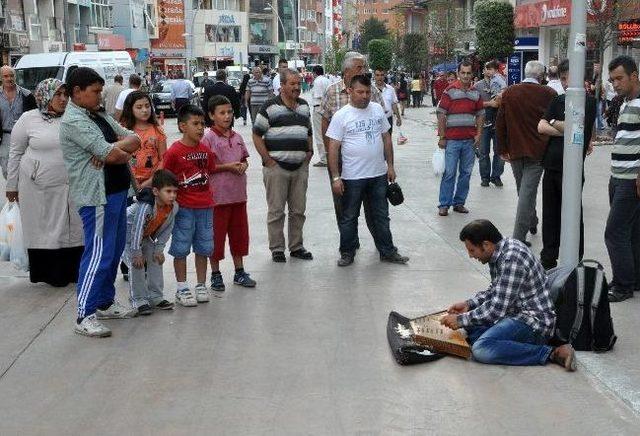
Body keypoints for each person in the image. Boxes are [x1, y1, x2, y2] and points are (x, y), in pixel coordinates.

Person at [60, 67, 141, 337]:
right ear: (77, 93)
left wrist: (117, 148)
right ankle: (85, 314)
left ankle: (105, 302)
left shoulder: (98, 114)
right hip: (96, 197)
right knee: (98, 255)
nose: (99, 97)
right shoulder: (74, 121)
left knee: (115, 250)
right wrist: (114, 150)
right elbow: (111, 153)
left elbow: (134, 138)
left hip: (117, 191)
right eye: (95, 92)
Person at [440, 220, 575, 370]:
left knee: (481, 348)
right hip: (513, 313)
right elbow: (495, 290)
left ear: (486, 245)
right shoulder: (498, 251)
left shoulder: (512, 259)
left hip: (533, 322)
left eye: (472, 250)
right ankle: (504, 342)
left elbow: (496, 310)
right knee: (471, 325)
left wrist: (460, 320)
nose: (471, 256)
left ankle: (550, 352)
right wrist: (469, 304)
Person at [5, 78, 83, 287]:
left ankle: (73, 272)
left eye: (65, 94)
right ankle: (50, 275)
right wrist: (11, 185)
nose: (63, 99)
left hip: (72, 185)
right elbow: (15, 153)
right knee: (46, 228)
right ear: (44, 95)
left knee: (72, 227)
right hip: (38, 187)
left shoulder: (75, 117)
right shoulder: (28, 119)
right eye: (58, 94)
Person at [326, 74, 409, 266]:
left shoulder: (377, 109)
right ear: (350, 91)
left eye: (367, 92)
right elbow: (333, 148)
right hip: (352, 177)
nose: (364, 96)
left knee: (381, 216)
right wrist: (335, 178)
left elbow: (386, 138)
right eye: (360, 92)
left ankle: (387, 251)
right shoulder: (341, 116)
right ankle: (347, 253)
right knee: (349, 217)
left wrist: (390, 165)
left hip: (378, 175)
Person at [537, 59, 597, 270]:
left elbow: (579, 129)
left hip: (571, 170)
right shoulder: (557, 100)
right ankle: (548, 257)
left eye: (567, 78)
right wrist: (561, 126)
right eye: (562, 79)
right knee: (550, 214)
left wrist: (557, 124)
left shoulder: (588, 102)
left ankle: (575, 258)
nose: (564, 83)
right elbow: (541, 127)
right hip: (551, 165)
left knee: (572, 214)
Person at [320, 52, 386, 238]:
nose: (364, 71)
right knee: (345, 208)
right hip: (340, 159)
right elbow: (324, 122)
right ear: (347, 71)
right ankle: (349, 244)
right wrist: (330, 153)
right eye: (360, 67)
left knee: (375, 208)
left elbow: (383, 125)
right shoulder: (332, 91)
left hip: (370, 164)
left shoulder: (371, 90)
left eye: (365, 67)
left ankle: (382, 243)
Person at [252, 68, 314, 263]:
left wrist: (309, 152)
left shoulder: (304, 106)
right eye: (292, 84)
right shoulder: (269, 107)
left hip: (299, 168)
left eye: (298, 83)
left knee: (298, 211)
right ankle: (277, 248)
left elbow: (308, 131)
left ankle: (296, 246)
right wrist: (268, 160)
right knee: (276, 211)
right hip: (276, 168)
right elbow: (256, 135)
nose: (297, 87)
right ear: (282, 86)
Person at [496, 60, 556, 246]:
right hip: (538, 152)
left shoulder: (510, 92)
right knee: (526, 193)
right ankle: (521, 235)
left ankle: (520, 235)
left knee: (524, 191)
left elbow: (501, 122)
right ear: (541, 76)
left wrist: (502, 148)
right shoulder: (549, 94)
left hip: (515, 150)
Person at [162, 105, 217, 306]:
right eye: (195, 124)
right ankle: (182, 287)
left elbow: (210, 171)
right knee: (181, 247)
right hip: (184, 208)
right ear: (182, 126)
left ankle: (201, 285)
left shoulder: (206, 151)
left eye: (203, 124)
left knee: (204, 246)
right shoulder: (174, 151)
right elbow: (164, 177)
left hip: (206, 207)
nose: (201, 128)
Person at [202, 95, 256, 292]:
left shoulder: (238, 137)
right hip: (218, 198)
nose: (227, 116)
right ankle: (215, 274)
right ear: (211, 115)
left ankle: (239, 271)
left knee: (239, 235)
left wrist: (242, 165)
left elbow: (245, 159)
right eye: (222, 113)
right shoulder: (208, 138)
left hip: (238, 196)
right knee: (215, 238)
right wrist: (228, 167)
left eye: (230, 112)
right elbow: (206, 167)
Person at [604, 56, 640, 303]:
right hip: (618, 176)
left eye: (619, 78)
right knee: (631, 232)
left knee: (614, 232)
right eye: (612, 80)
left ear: (634, 75)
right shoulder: (627, 102)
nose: (615, 84)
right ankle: (633, 278)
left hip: (631, 179)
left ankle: (622, 285)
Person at [123, 170, 179, 316]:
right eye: (168, 191)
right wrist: (136, 253)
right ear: (155, 191)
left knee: (156, 259)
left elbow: (167, 229)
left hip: (144, 236)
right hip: (125, 235)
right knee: (137, 266)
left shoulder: (173, 207)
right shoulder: (146, 206)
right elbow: (136, 229)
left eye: (175, 191)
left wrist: (159, 249)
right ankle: (139, 300)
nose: (172, 195)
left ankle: (155, 296)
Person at [436, 60, 484, 216]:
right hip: (452, 141)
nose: (465, 76)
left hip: (469, 141)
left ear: (472, 74)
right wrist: (442, 137)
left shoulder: (475, 93)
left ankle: (459, 203)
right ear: (458, 74)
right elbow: (441, 114)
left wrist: (479, 134)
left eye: (468, 73)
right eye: (462, 72)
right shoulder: (449, 91)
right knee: (449, 173)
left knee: (466, 173)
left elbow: (480, 114)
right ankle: (444, 204)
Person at [120, 91, 167, 190]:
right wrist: (134, 182)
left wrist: (148, 182)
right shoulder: (122, 131)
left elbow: (163, 159)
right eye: (139, 107)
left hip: (152, 184)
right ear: (130, 109)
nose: (145, 110)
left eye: (147, 106)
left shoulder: (158, 131)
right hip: (128, 183)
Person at [0, 65, 37, 179]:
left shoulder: (27, 95)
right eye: (5, 76)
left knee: (25, 168)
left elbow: (35, 116)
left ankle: (23, 192)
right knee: (7, 170)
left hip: (23, 136)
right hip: (5, 137)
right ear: (1, 78)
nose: (9, 79)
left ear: (15, 77)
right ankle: (13, 189)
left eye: (11, 76)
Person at [474, 60, 506, 187]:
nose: (488, 71)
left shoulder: (501, 82)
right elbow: (473, 104)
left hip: (498, 122)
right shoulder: (477, 86)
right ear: (483, 70)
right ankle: (485, 178)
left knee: (499, 151)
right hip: (483, 123)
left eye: (491, 69)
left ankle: (496, 176)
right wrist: (489, 104)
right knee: (483, 152)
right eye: (486, 68)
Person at [311, 65, 331, 167]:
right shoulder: (327, 80)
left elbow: (318, 96)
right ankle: (329, 156)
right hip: (327, 109)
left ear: (314, 73)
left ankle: (324, 159)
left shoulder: (317, 81)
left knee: (319, 135)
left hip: (319, 109)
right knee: (328, 134)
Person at [374, 68, 402, 136]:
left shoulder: (390, 89)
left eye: (382, 75)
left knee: (388, 140)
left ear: (385, 76)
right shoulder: (370, 89)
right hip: (374, 120)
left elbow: (394, 104)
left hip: (388, 119)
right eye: (377, 75)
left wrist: (398, 118)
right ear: (374, 76)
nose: (380, 77)